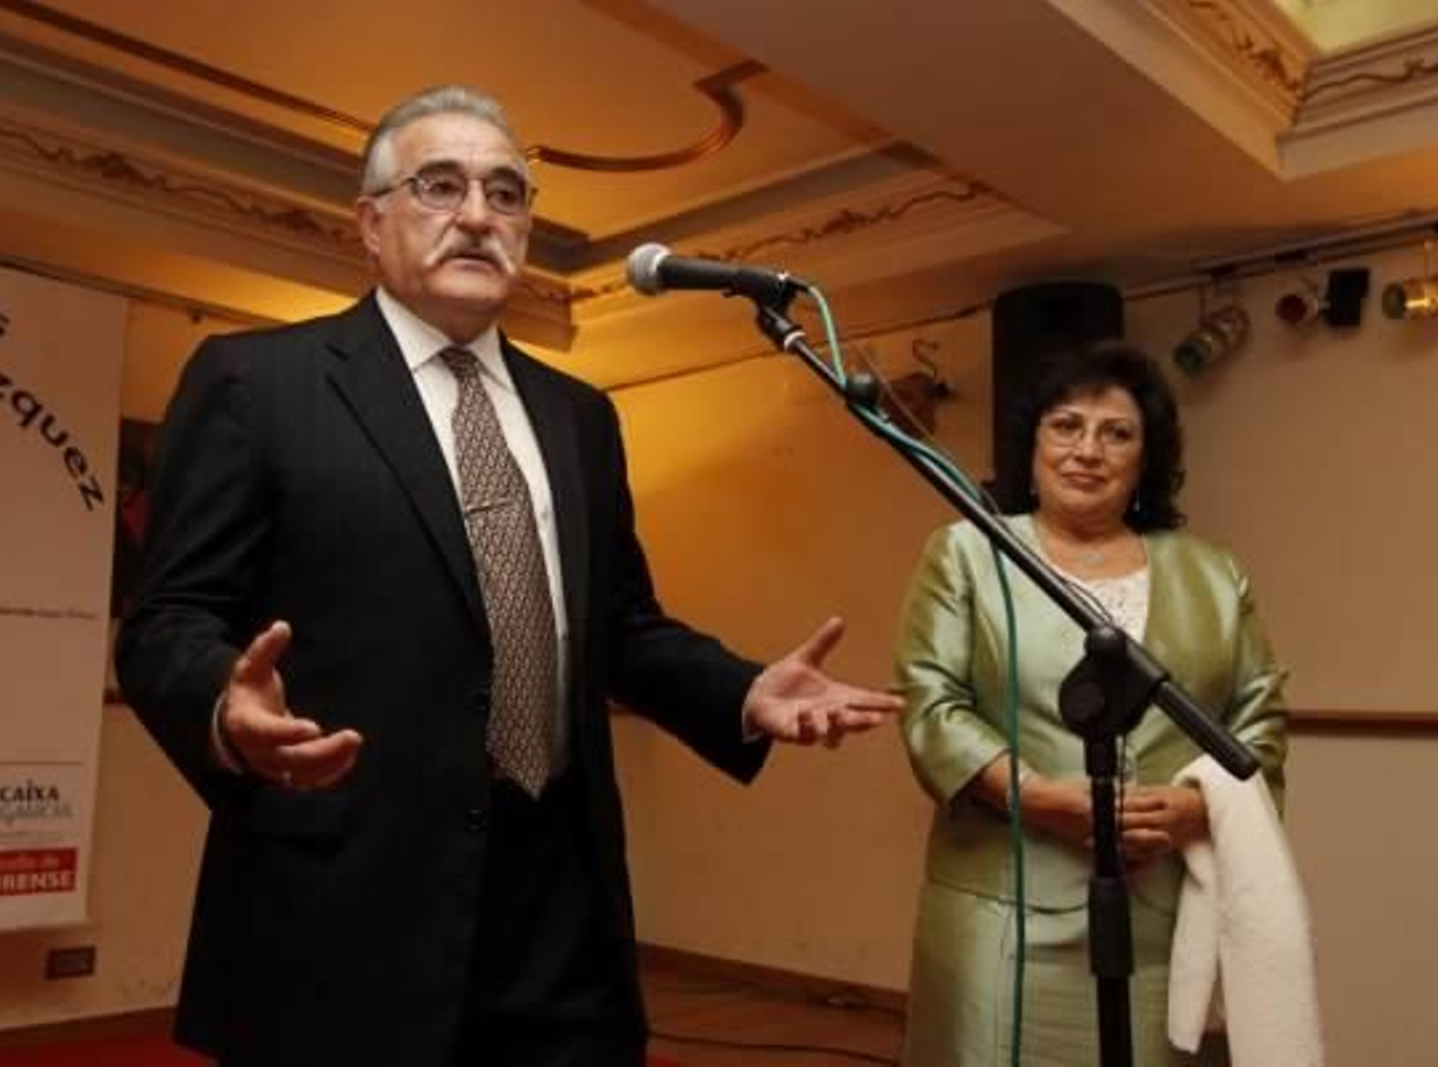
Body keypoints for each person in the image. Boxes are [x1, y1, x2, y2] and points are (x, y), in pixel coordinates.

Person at [115, 84, 902, 1067]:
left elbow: (617, 624)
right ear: (370, 222)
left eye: (507, 193)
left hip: (559, 904)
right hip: (343, 902)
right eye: (440, 186)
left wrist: (740, 688)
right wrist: (223, 710)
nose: (479, 215)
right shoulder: (255, 380)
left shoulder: (580, 413)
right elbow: (167, 619)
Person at [893, 342, 1289, 1065]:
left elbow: (1259, 720)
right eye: (1065, 425)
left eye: (1117, 432)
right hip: (1001, 912)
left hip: (1165, 912)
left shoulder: (1212, 572)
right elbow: (931, 704)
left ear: (1147, 457)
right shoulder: (968, 552)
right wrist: (1036, 796)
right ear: (1032, 443)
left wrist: (1197, 808)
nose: (1088, 450)